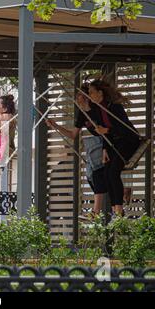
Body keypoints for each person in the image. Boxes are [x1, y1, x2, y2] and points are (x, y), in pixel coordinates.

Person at [46, 84, 107, 220]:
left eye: (79, 96)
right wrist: (55, 125)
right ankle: (118, 194)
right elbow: (73, 134)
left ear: (86, 97)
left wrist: (105, 149)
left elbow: (107, 130)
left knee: (97, 173)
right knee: (90, 175)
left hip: (103, 142)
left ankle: (96, 211)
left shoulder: (97, 110)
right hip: (94, 144)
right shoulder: (82, 114)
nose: (77, 99)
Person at [88, 79, 140, 217]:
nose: (90, 95)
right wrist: (105, 149)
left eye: (92, 92)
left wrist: (107, 131)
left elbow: (122, 129)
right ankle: (114, 207)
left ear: (100, 93)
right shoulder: (99, 110)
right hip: (114, 142)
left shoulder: (114, 107)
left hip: (128, 141)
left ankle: (118, 208)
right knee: (106, 173)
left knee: (113, 172)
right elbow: (104, 133)